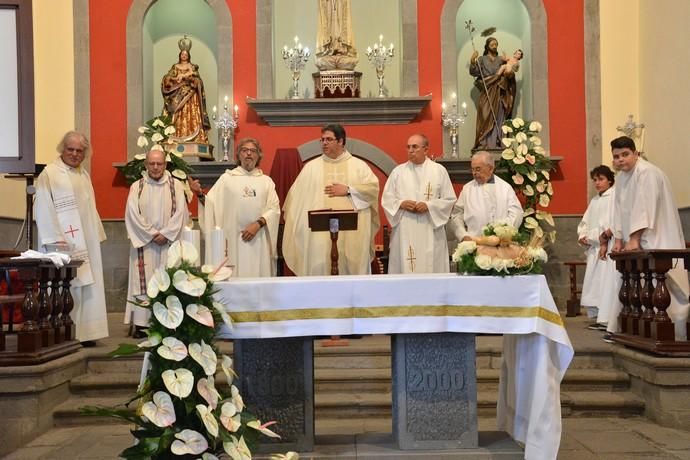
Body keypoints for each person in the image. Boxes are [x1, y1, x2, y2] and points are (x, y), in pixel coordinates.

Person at [606, 136, 689, 340]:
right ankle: (636, 329)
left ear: (636, 154)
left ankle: (674, 334)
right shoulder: (622, 177)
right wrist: (618, 239)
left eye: (625, 155)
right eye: (616, 157)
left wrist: (634, 239)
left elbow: (645, 207)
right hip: (636, 239)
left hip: (658, 237)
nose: (620, 160)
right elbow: (619, 211)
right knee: (634, 281)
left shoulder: (647, 172)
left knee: (667, 284)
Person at [34, 131, 108, 345]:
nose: (75, 154)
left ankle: (86, 333)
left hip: (87, 239)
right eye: (71, 149)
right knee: (69, 283)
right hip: (61, 242)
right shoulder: (50, 173)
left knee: (87, 284)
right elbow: (43, 208)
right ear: (62, 149)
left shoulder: (83, 174)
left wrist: (96, 233)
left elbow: (90, 207)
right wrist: (56, 238)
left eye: (80, 151)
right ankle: (62, 331)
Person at [282, 124, 380, 275]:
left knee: (350, 270)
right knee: (321, 267)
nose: (324, 143)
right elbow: (295, 201)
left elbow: (372, 190)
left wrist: (348, 190)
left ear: (341, 141)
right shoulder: (311, 168)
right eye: (322, 140)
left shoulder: (359, 166)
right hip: (318, 236)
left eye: (329, 139)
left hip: (353, 233)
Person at [124, 148, 188, 335]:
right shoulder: (138, 186)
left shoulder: (176, 185)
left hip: (168, 242)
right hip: (145, 243)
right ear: (145, 165)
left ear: (165, 165)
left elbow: (181, 213)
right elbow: (132, 213)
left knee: (168, 278)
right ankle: (143, 324)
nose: (155, 167)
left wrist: (166, 234)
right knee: (144, 281)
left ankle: (169, 322)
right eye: (151, 163)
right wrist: (152, 234)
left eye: (159, 163)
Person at [196, 138, 280, 277]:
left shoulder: (266, 181)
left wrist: (257, 224)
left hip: (258, 240)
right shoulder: (226, 179)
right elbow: (211, 204)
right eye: (244, 150)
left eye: (252, 151)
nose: (248, 154)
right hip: (233, 240)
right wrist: (199, 195)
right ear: (238, 155)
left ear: (258, 155)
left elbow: (274, 208)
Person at [382, 134, 456, 273]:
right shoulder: (398, 172)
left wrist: (429, 206)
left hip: (430, 227)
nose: (410, 150)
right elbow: (387, 199)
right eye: (408, 147)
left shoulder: (439, 171)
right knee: (406, 266)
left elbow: (449, 199)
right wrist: (401, 204)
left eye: (414, 147)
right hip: (405, 229)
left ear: (426, 149)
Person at [449, 151, 523, 241]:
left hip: (501, 243)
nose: (474, 173)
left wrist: (503, 231)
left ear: (491, 169)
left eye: (478, 169)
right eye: (472, 169)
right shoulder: (467, 189)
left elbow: (517, 213)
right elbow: (457, 214)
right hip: (474, 242)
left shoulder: (505, 188)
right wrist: (463, 235)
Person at [577, 165, 616, 330]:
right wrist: (583, 236)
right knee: (595, 283)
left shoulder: (614, 197)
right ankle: (599, 317)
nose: (597, 183)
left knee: (605, 283)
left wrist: (602, 240)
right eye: (595, 180)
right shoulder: (595, 200)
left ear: (610, 180)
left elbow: (612, 222)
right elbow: (585, 221)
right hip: (594, 247)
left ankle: (607, 318)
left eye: (601, 179)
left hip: (607, 247)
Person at [470, 37, 519, 149]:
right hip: (487, 90)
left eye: (496, 44)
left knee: (499, 116)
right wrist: (473, 61)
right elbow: (475, 72)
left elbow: (510, 70)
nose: (495, 46)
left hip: (499, 90)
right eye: (492, 44)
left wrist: (509, 72)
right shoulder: (482, 59)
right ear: (487, 46)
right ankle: (485, 143)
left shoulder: (501, 59)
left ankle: (498, 141)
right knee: (485, 114)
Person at [161, 36, 211, 145]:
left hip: (190, 96)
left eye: (186, 54)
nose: (184, 56)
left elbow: (198, 81)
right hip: (177, 96)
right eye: (182, 54)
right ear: (180, 56)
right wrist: (172, 79)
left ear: (188, 56)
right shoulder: (175, 67)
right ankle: (176, 135)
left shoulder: (192, 67)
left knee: (191, 113)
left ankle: (195, 137)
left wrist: (193, 80)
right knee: (177, 114)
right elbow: (167, 78)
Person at [315, 0, 358, 70]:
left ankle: (341, 50)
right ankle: (329, 50)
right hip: (329, 5)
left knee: (350, 61)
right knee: (321, 61)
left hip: (340, 4)